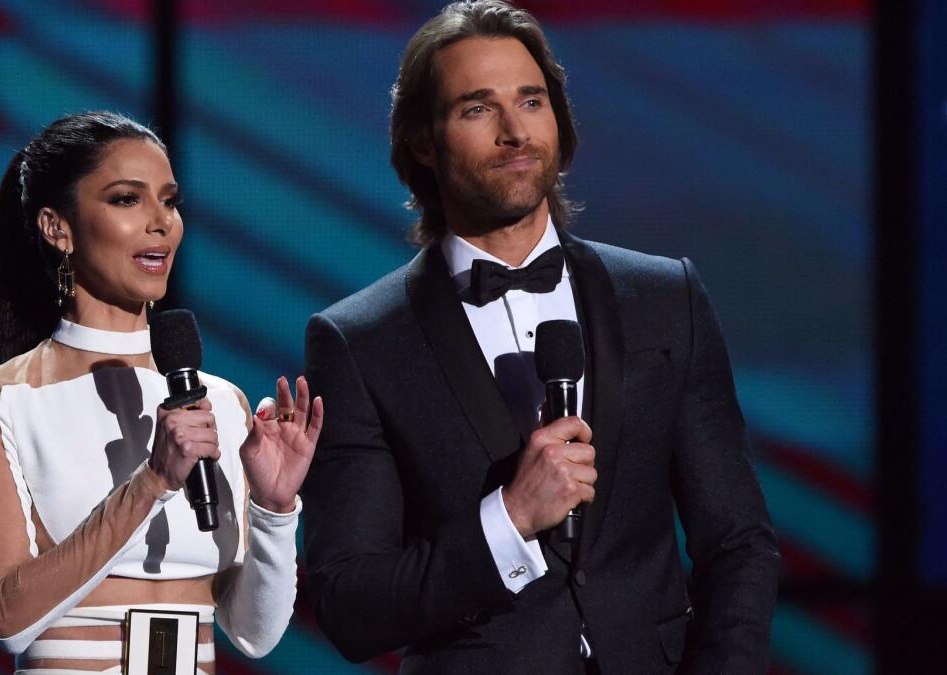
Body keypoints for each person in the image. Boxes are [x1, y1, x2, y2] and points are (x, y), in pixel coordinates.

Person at [301, 2, 779, 673]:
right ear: (421, 142)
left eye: (531, 100)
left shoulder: (666, 297)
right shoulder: (360, 341)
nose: (513, 130)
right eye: (476, 108)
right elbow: (350, 604)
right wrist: (509, 519)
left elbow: (739, 543)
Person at [0, 111, 323, 675]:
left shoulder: (220, 401)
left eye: (169, 201)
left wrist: (274, 509)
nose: (161, 223)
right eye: (127, 199)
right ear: (57, 227)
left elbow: (254, 634)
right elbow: (8, 616)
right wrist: (151, 483)